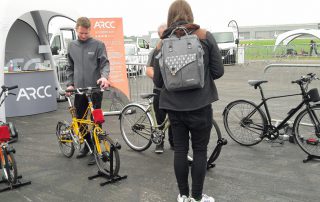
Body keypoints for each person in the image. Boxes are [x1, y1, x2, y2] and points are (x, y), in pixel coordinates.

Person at [152, 1, 224, 201]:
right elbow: (218, 71)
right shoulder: (203, 36)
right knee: (200, 151)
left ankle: (183, 196)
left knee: (180, 151)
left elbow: (158, 81)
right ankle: (197, 197)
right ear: (190, 15)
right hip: (201, 104)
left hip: (173, 107)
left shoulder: (162, 42)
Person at [66, 17, 111, 165]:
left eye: (86, 33)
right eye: (81, 33)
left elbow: (104, 64)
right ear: (76, 29)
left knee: (96, 121)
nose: (83, 36)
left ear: (90, 30)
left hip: (95, 90)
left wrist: (104, 77)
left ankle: (97, 150)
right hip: (79, 91)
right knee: (80, 121)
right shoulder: (71, 46)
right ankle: (88, 146)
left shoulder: (98, 45)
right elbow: (70, 67)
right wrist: (70, 84)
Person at [146, 23, 174, 154]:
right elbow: (148, 69)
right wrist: (160, 79)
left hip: (173, 90)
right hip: (159, 89)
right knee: (160, 118)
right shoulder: (155, 51)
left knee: (174, 117)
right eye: (164, 34)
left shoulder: (174, 48)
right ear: (160, 35)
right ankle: (159, 143)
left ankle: (174, 143)